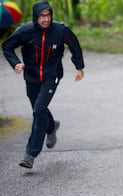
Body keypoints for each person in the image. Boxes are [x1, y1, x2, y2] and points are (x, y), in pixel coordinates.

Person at [2, 1, 85, 169]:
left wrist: (79, 67)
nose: (46, 19)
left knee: (38, 110)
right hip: (31, 77)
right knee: (37, 108)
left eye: (48, 16)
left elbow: (74, 45)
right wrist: (15, 63)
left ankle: (30, 154)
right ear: (36, 17)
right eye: (42, 16)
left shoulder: (60, 30)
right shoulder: (25, 32)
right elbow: (7, 46)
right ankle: (51, 125)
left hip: (51, 75)